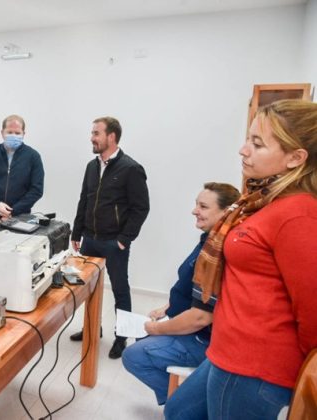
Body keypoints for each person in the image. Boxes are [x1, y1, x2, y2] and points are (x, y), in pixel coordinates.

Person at [164, 100, 317, 420]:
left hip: (254, 364)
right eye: (248, 139)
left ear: (295, 158)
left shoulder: (298, 214)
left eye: (257, 144)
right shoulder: (264, 201)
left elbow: (313, 311)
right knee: (179, 411)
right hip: (228, 350)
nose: (243, 150)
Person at [121, 182, 240, 405]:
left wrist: (157, 328)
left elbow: (201, 317)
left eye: (203, 206)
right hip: (193, 324)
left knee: (133, 356)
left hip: (204, 338)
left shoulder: (219, 253)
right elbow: (190, 286)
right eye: (196, 204)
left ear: (226, 212)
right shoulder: (209, 241)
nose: (194, 211)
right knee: (141, 336)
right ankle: (186, 397)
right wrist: (167, 307)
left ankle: (189, 403)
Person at [69, 116, 150, 359]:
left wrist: (124, 238)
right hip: (90, 238)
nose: (92, 138)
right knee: (89, 288)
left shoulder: (131, 168)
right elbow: (84, 200)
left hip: (114, 242)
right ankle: (92, 327)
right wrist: (76, 232)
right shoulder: (91, 166)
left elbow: (141, 208)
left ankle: (122, 336)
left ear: (111, 136)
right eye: (92, 133)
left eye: (96, 133)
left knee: (120, 289)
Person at [0, 114, 45, 229]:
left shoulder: (33, 157)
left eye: (17, 133)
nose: (13, 136)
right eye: (10, 132)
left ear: (24, 134)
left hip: (22, 218)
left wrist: (13, 211)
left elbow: (37, 190)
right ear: (2, 133)